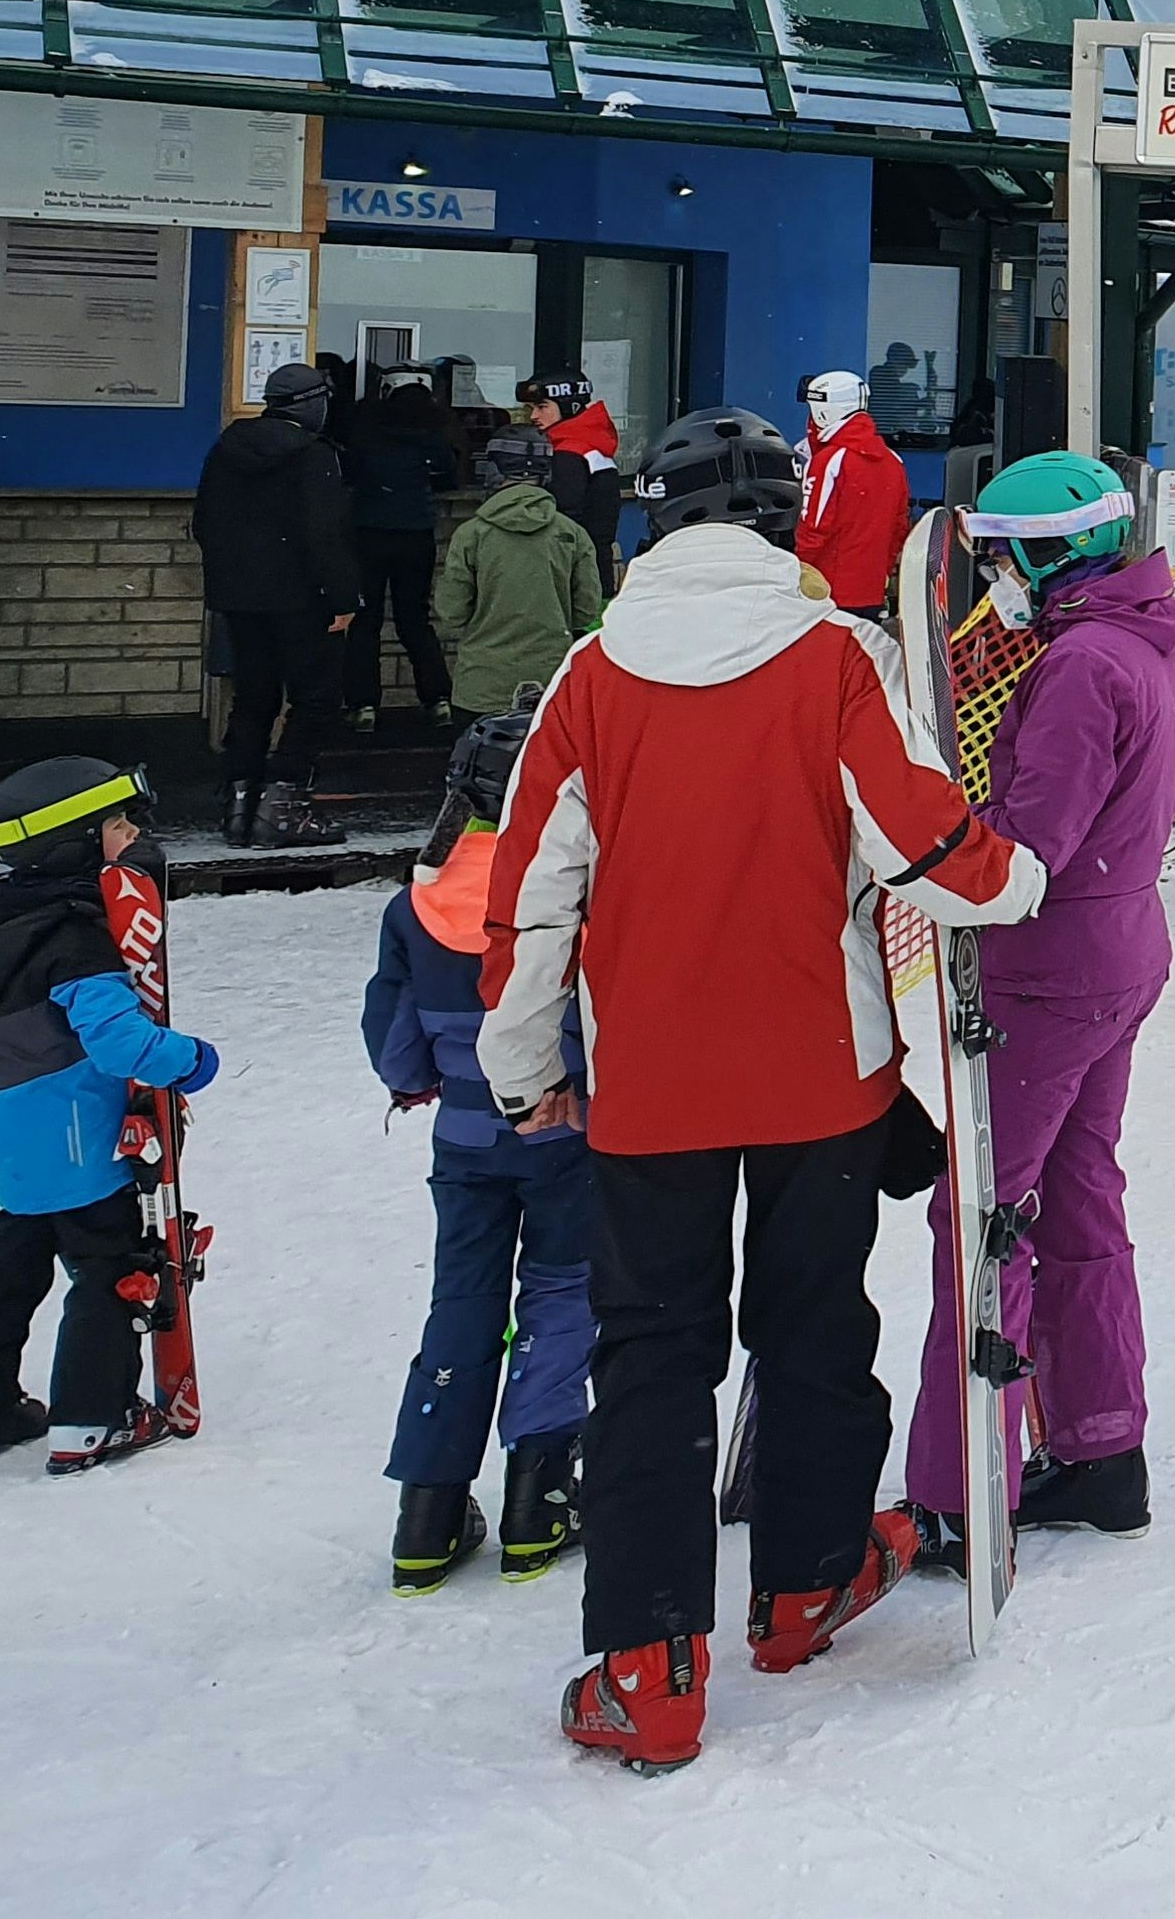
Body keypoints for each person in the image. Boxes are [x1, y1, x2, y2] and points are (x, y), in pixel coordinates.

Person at [478, 405, 1045, 1774]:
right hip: (820, 1079)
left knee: (650, 1355)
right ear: (788, 520)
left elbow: (530, 896)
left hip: (651, 1086)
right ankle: (805, 1584)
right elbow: (922, 843)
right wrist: (1019, 882)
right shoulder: (839, 656)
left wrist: (524, 1070)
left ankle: (647, 1666)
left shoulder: (589, 678)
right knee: (813, 1329)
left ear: (654, 523)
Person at [900, 451, 1175, 1563]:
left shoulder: (1079, 664)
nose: (997, 582)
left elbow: (1032, 844)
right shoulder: (1144, 641)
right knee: (1076, 1195)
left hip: (1051, 969)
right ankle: (1103, 1448)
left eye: (1005, 559)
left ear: (1050, 554)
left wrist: (927, 836)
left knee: (981, 1213)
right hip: (1116, 953)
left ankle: (961, 1483)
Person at [0, 758, 222, 1476]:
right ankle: (94, 1419)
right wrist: (190, 1060)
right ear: (76, 846)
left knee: (12, 1261)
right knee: (111, 1266)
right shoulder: (75, 937)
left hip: (13, 1128)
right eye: (118, 825)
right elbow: (119, 1043)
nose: (134, 834)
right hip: (78, 1130)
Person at [366, 707, 597, 1595]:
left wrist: (430, 1081)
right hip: (565, 1133)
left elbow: (396, 1047)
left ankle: (425, 1515)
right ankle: (539, 1500)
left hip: (464, 1142)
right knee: (561, 1296)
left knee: (460, 1305)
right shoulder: (572, 886)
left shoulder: (415, 903)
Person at [194, 363, 358, 849]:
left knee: (253, 698)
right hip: (303, 598)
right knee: (315, 699)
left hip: (239, 599)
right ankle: (282, 807)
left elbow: (203, 522)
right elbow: (325, 534)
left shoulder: (227, 448)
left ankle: (238, 806)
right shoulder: (314, 454)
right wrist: (343, 597)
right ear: (313, 404)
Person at [439, 449, 603, 724]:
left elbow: (451, 612)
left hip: (482, 686)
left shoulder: (470, 534)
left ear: (493, 473)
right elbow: (586, 611)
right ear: (546, 475)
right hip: (552, 682)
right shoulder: (572, 533)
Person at [339, 375, 462, 732]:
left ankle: (363, 706)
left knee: (365, 622)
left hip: (369, 534)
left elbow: (348, 475)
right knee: (415, 620)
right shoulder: (433, 438)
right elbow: (448, 476)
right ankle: (437, 700)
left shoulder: (367, 434)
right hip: (415, 536)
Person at [796, 369, 912, 618]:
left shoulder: (829, 461)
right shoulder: (893, 460)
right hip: (871, 591)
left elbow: (814, 526)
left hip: (826, 591)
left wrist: (799, 573)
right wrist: (883, 572)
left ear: (823, 410)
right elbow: (899, 527)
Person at [516, 372, 626, 573]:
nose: (533, 416)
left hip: (571, 567)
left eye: (542, 407)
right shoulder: (591, 444)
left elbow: (563, 520)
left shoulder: (568, 453)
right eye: (532, 408)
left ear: (571, 407)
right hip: (593, 563)